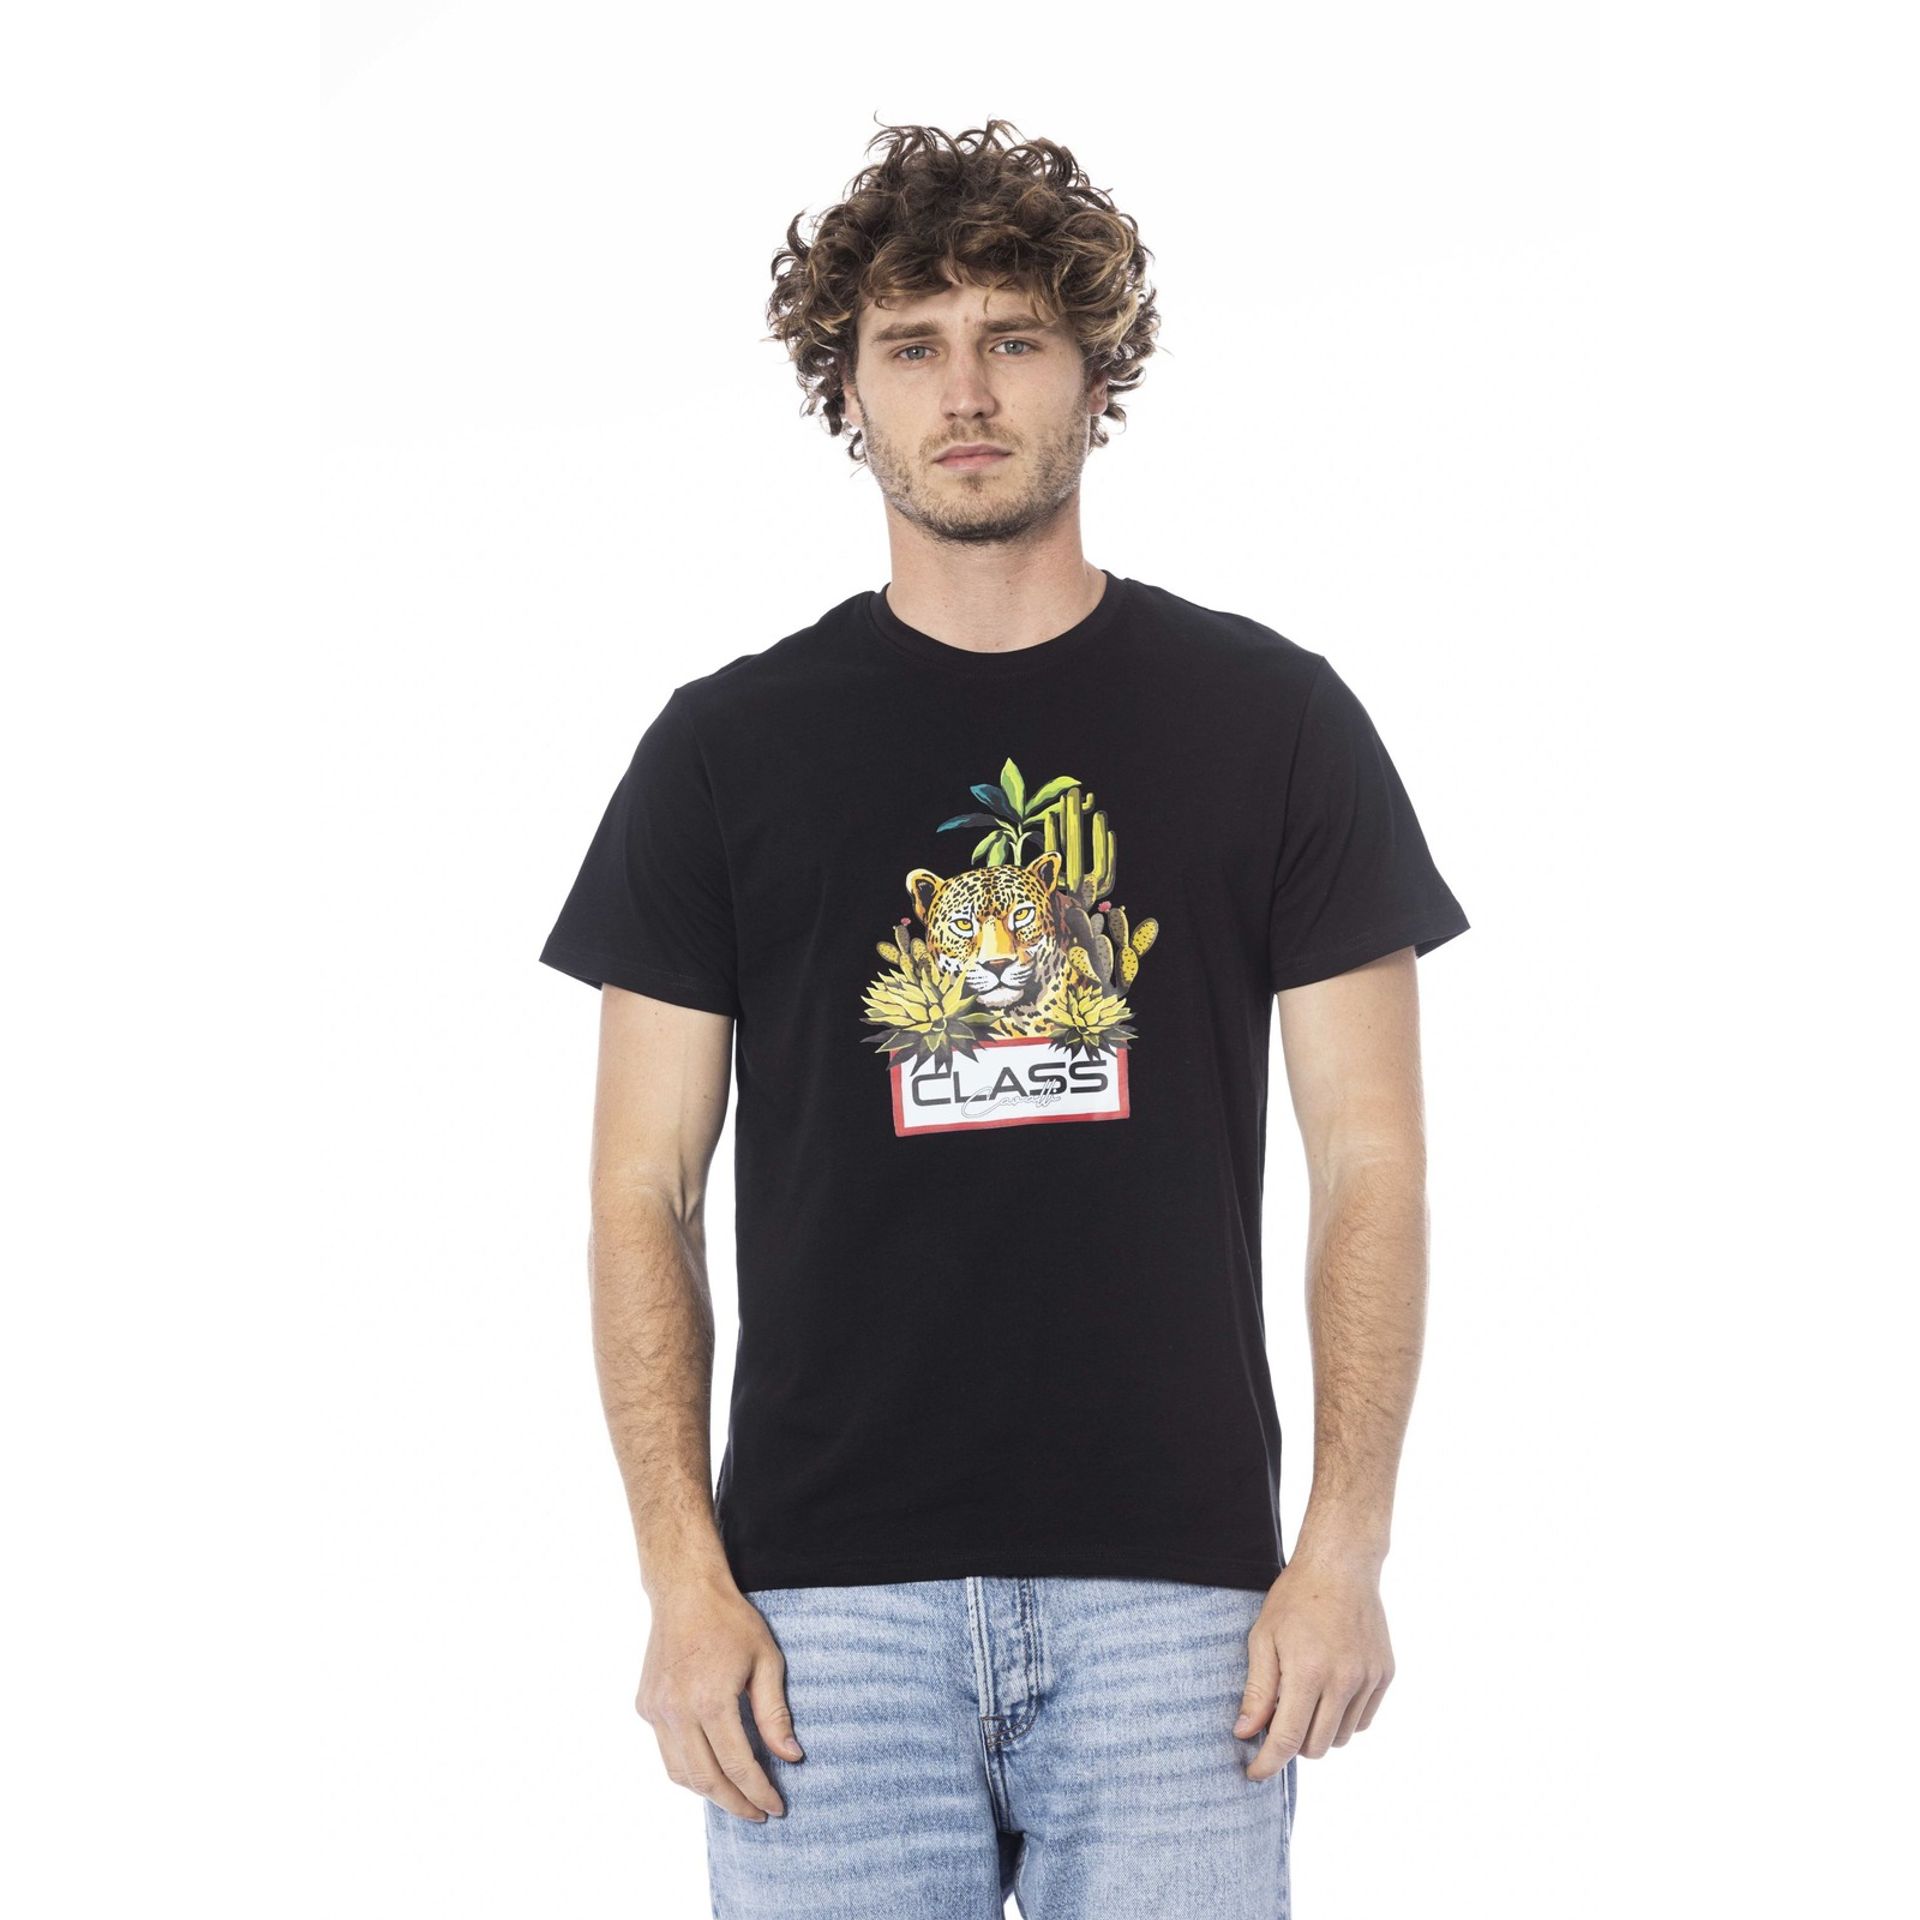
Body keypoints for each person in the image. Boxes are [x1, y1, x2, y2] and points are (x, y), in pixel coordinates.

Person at [540, 120, 1468, 1920]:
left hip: (1181, 1606)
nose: (964, 391)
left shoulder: (1273, 721)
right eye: (912, 345)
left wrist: (1344, 1549)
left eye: (1014, 338)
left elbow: (1372, 1163)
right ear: (849, 392)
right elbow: (639, 1192)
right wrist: (680, 1580)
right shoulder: (724, 752)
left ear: (1095, 377)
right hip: (818, 1622)